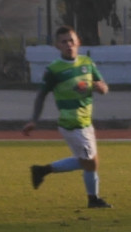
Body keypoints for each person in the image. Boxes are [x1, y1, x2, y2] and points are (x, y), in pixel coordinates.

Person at [22, 25, 112, 209]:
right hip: (72, 123)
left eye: (71, 40)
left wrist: (102, 88)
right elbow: (41, 95)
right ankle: (93, 199)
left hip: (86, 122)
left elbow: (102, 85)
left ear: (78, 41)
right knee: (90, 163)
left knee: (89, 161)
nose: (69, 44)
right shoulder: (54, 70)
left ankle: (42, 170)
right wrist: (34, 119)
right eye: (64, 42)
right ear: (57, 46)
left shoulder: (87, 63)